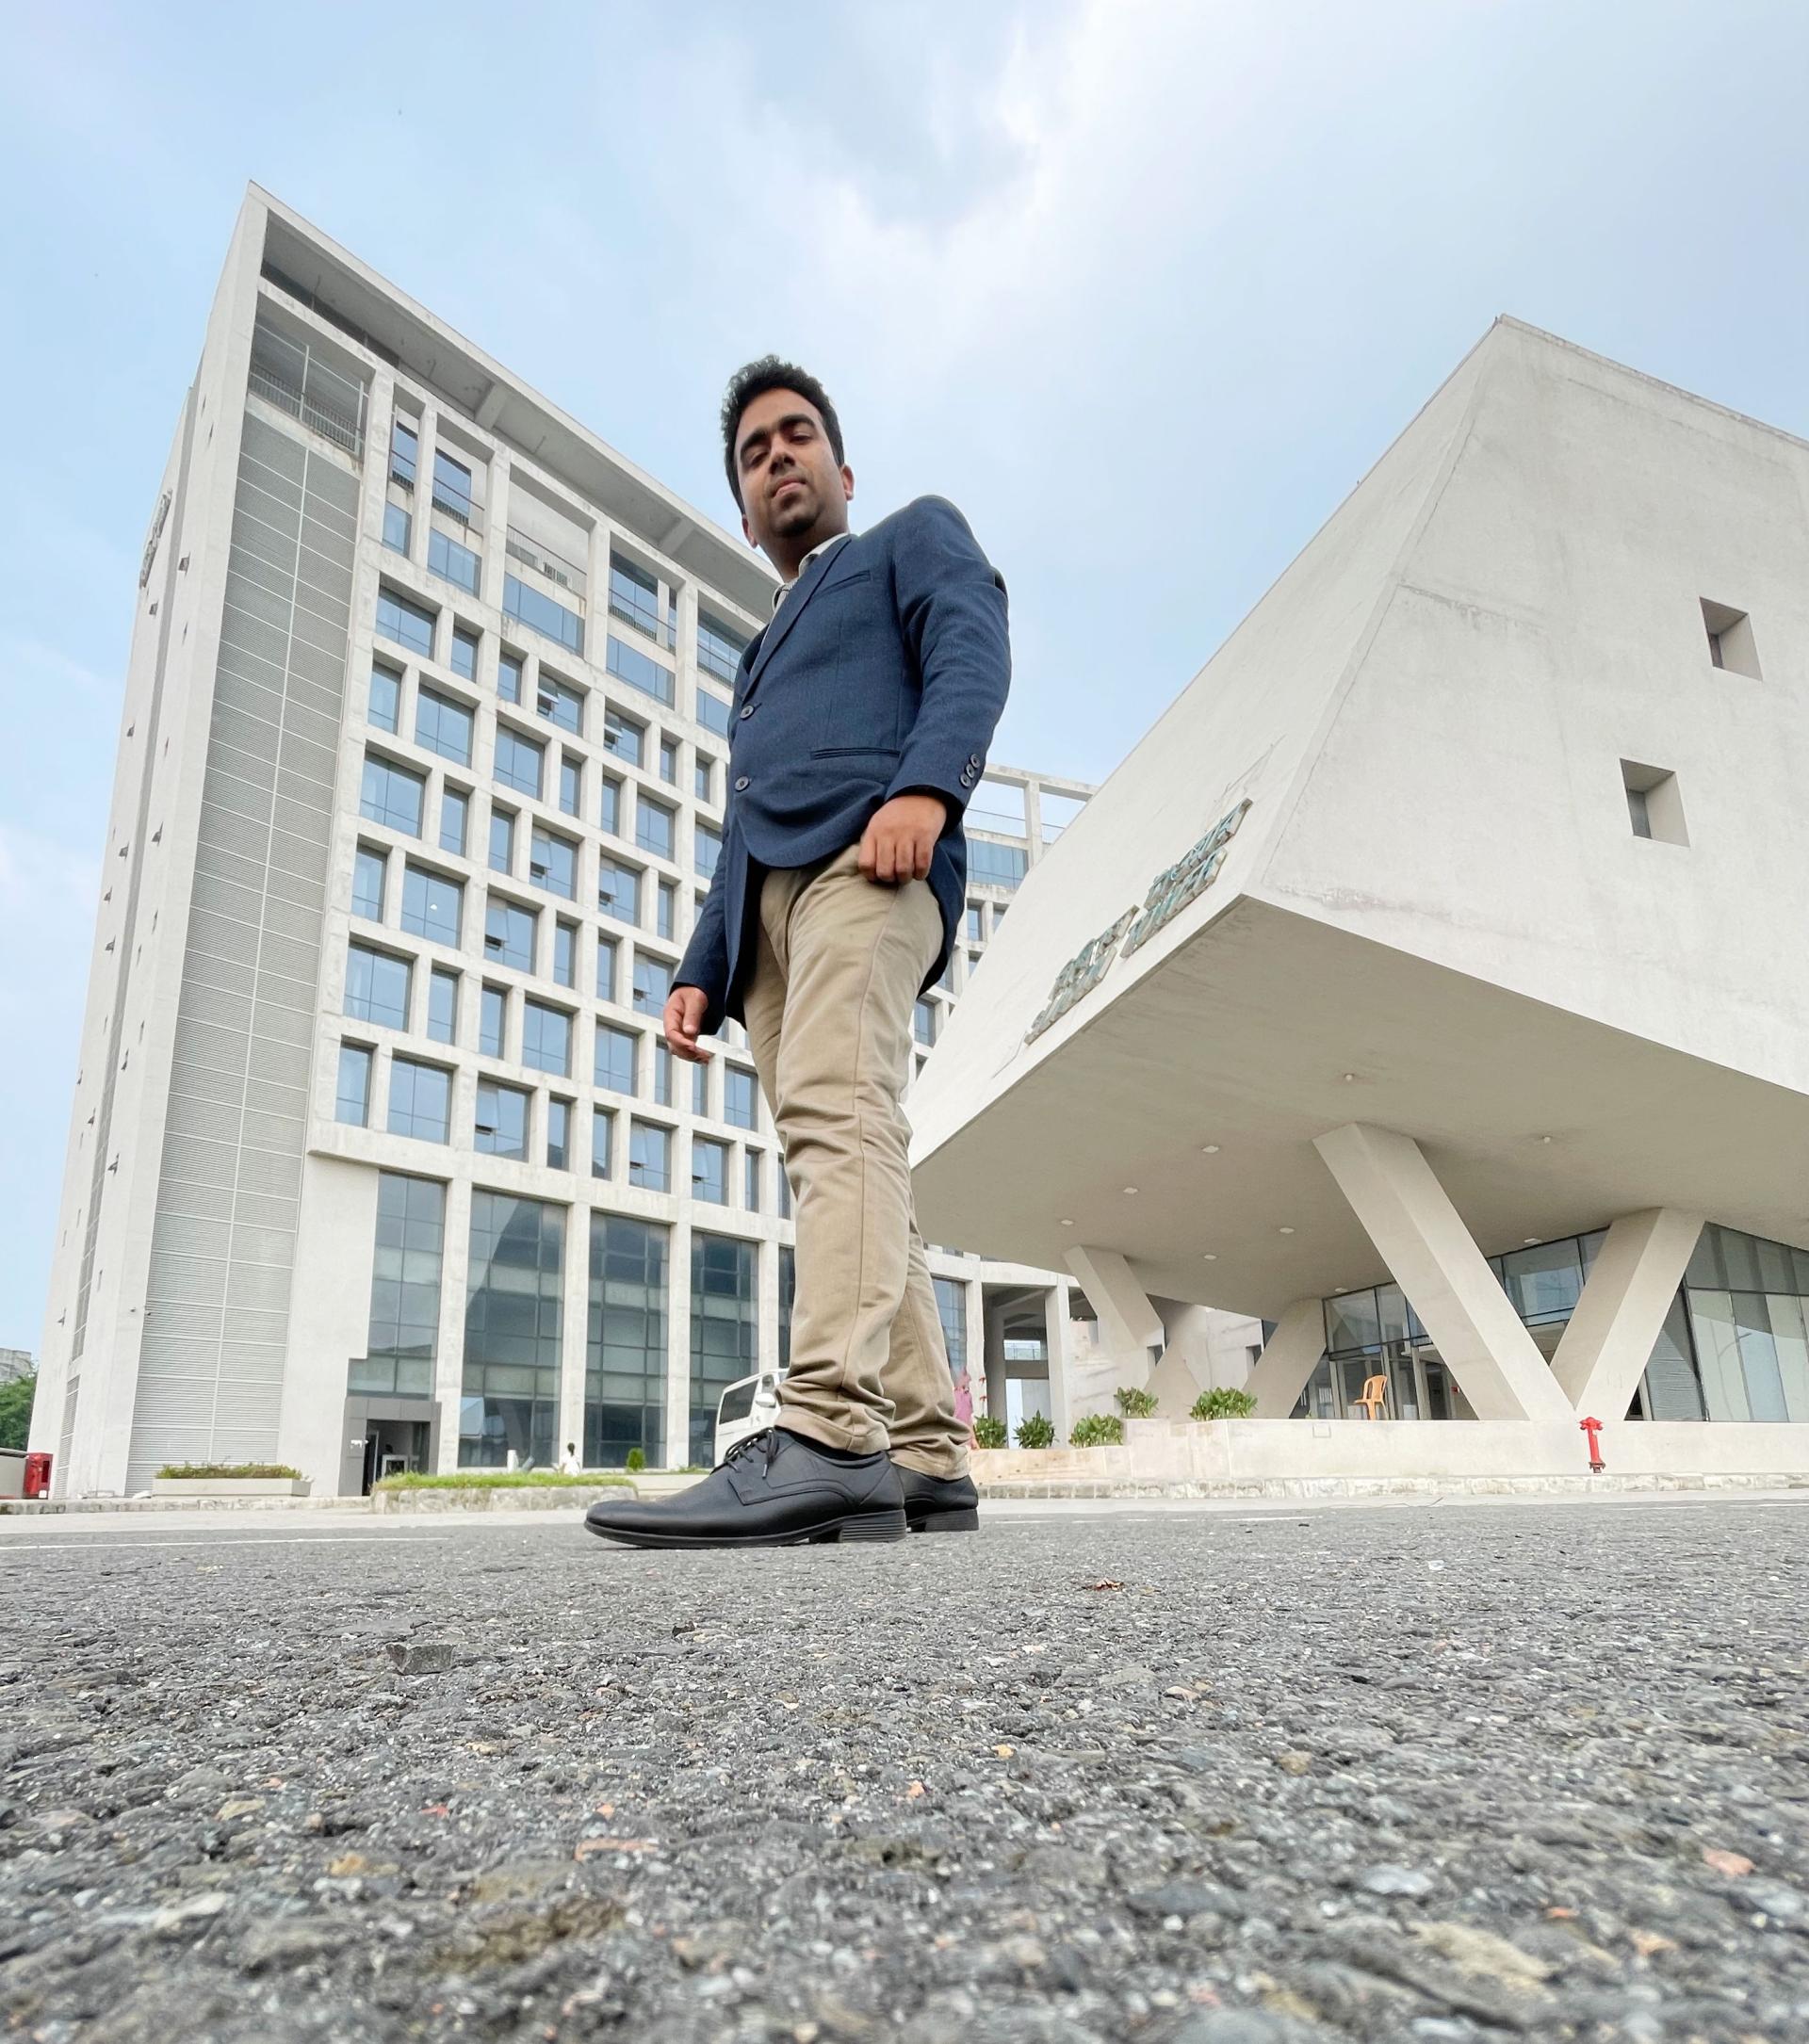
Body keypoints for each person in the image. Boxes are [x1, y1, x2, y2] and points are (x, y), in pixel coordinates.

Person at [586, 358, 1009, 1549]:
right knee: (848, 1150)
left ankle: (827, 1432)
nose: (778, 456)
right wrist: (701, 964)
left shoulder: (910, 538)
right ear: (742, 509)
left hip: (870, 861)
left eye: (797, 436)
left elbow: (972, 650)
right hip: (766, 921)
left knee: (840, 1119)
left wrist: (928, 788)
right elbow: (741, 821)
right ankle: (925, 1453)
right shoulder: (759, 653)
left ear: (842, 469)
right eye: (755, 452)